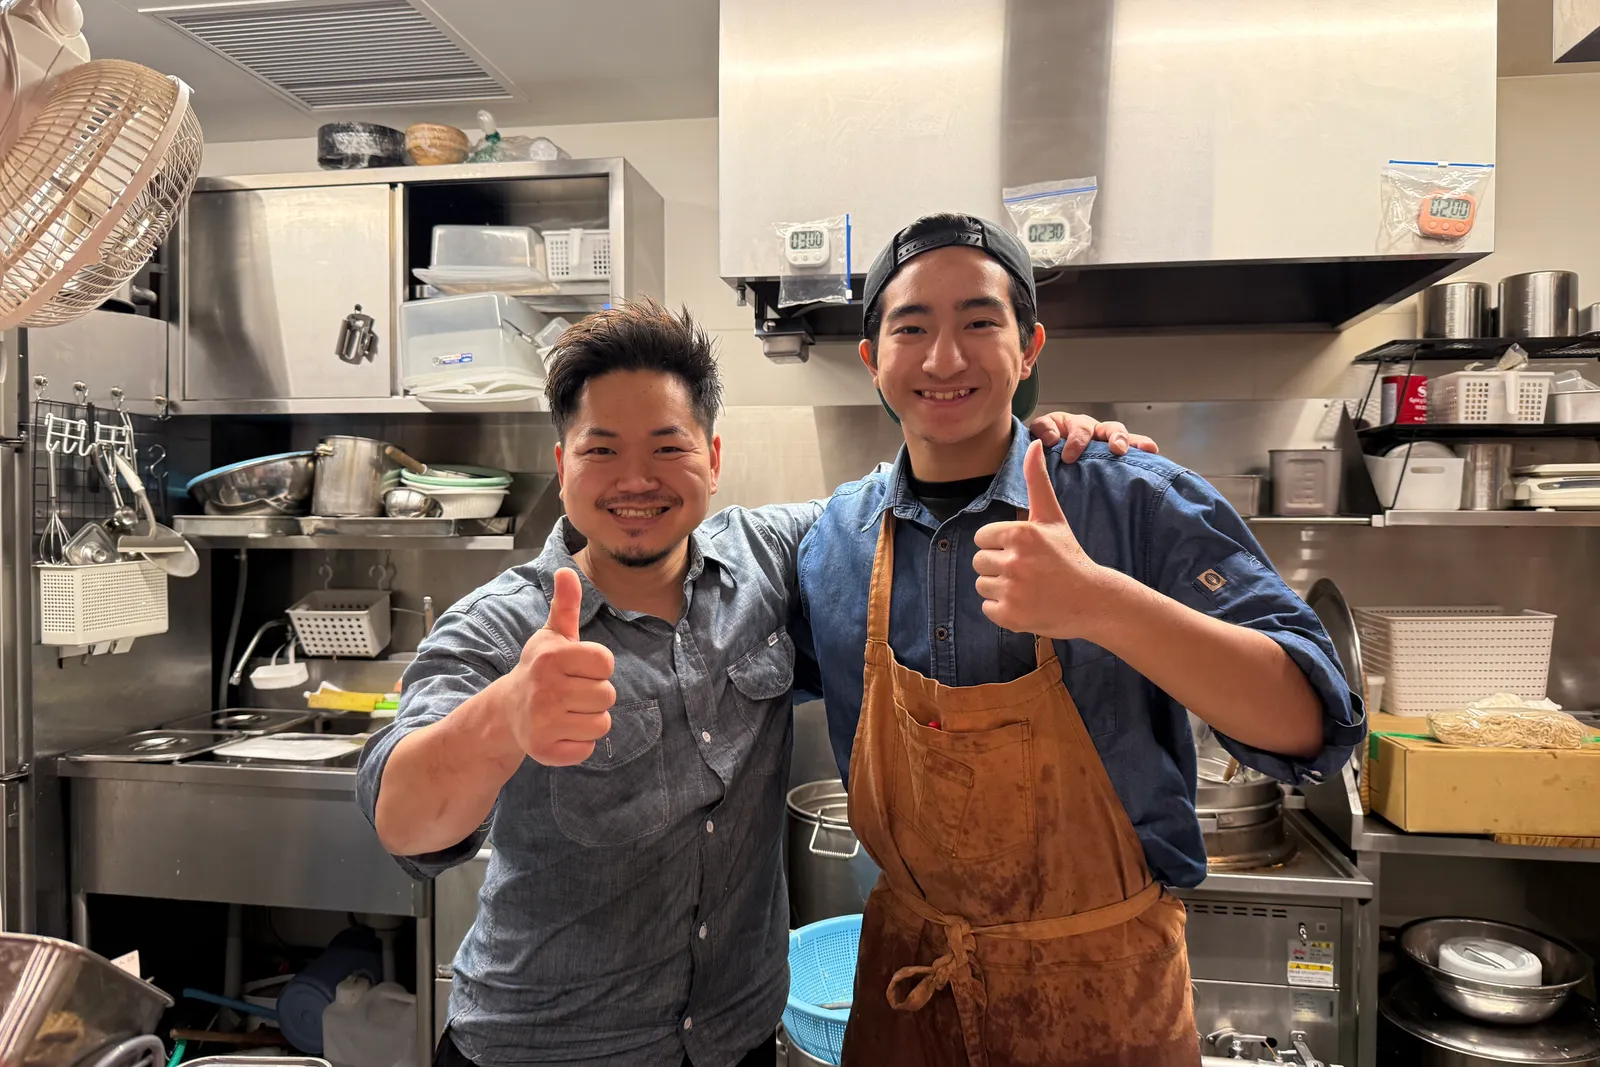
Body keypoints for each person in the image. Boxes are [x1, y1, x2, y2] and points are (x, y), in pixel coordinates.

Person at [354, 298, 1155, 1067]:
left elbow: (920, 486)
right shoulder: (500, 625)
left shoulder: (769, 557)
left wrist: (1044, 442)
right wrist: (504, 720)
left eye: (669, 446)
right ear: (563, 465)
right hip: (547, 1045)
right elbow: (403, 817)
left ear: (714, 457)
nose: (637, 478)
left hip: (736, 1038)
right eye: (602, 450)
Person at [793, 214, 1366, 1067]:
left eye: (980, 322)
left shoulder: (1131, 499)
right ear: (873, 359)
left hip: (1106, 998)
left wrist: (1102, 603)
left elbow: (1311, 722)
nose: (945, 357)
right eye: (911, 327)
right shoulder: (834, 537)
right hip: (910, 996)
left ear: (1029, 347)